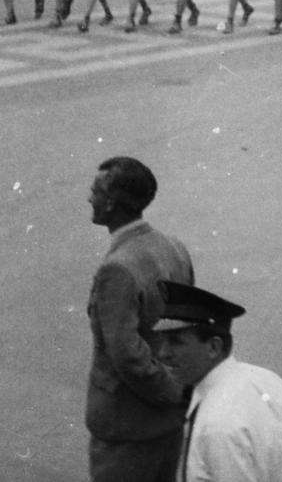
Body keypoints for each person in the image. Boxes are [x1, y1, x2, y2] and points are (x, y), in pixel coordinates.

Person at [85, 156, 195, 482]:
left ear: (112, 202)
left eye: (94, 191)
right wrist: (177, 393)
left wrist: (168, 392)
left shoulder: (117, 268)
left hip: (126, 429)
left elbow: (127, 355)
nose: (89, 198)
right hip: (169, 426)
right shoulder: (174, 248)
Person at [154, 281, 282, 482]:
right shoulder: (266, 379)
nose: (162, 354)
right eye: (163, 341)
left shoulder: (216, 426)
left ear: (213, 347)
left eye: (175, 342)